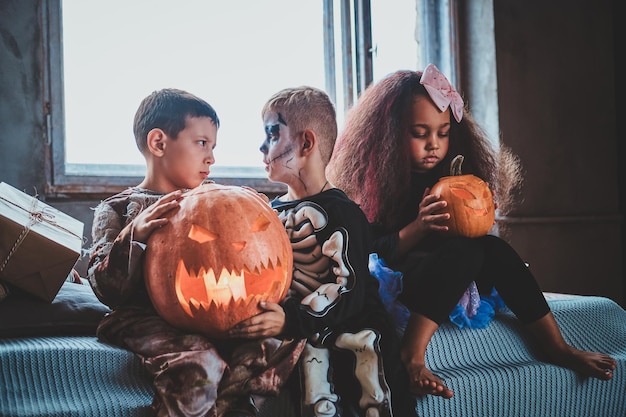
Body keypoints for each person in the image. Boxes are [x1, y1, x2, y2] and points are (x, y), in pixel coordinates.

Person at [326, 64, 617, 399]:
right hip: (405, 277)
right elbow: (375, 252)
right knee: (467, 251)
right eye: (420, 134)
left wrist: (478, 208)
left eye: (443, 132)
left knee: (491, 248)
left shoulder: (454, 171)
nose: (434, 144)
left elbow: (469, 236)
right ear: (389, 136)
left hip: (454, 273)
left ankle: (557, 347)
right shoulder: (374, 186)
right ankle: (411, 356)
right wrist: (419, 227)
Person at [87, 88, 304, 417]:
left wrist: (281, 315)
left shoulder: (218, 199)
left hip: (216, 314)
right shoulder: (117, 210)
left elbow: (243, 259)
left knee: (283, 335)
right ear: (159, 143)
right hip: (144, 318)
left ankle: (232, 406)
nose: (211, 158)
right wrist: (135, 235)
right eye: (202, 143)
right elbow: (106, 289)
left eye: (213, 146)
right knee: (198, 360)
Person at [229, 86, 417, 417]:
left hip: (352, 323)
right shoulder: (267, 213)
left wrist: (290, 320)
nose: (261, 147)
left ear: (305, 143)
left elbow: (351, 291)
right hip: (298, 331)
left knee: (370, 375)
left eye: (272, 135)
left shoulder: (344, 213)